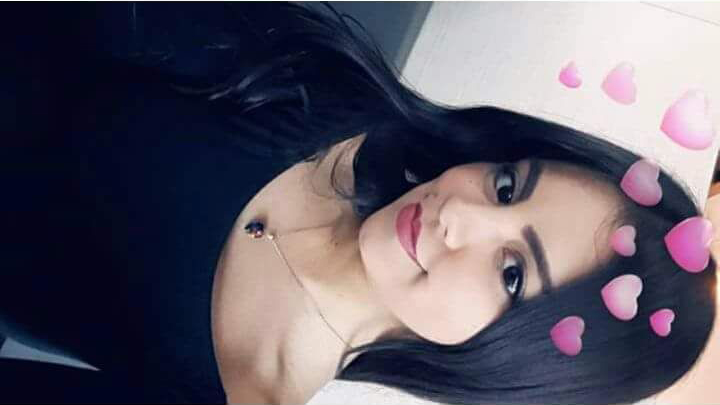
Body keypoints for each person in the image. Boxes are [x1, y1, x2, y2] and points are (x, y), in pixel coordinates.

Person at [0, 2, 715, 404]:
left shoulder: (243, 388)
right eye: (506, 185)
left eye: (511, 273)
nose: (458, 215)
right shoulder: (327, 92)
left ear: (509, 365)